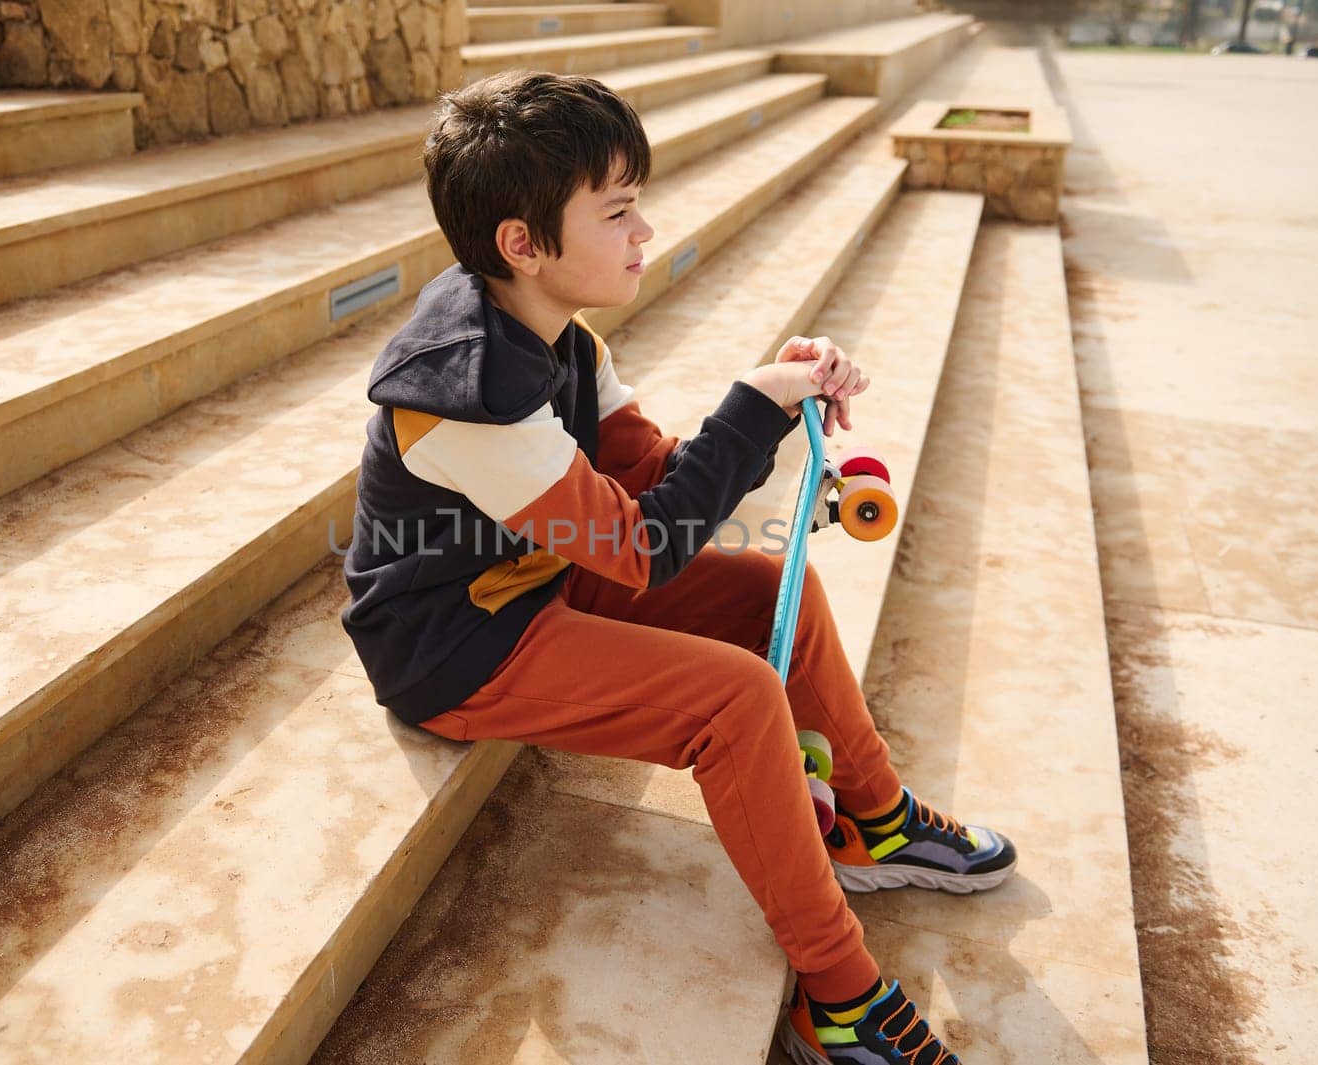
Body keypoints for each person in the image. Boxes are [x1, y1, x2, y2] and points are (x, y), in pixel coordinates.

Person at [339, 69, 1016, 1065]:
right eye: (616, 211)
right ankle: (840, 998)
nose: (643, 231)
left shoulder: (554, 334)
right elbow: (641, 551)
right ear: (522, 244)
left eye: (636, 205)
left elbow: (648, 484)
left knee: (761, 588)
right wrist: (753, 405)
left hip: (537, 574)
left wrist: (773, 401)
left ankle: (870, 820)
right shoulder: (461, 395)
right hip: (452, 643)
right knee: (733, 699)